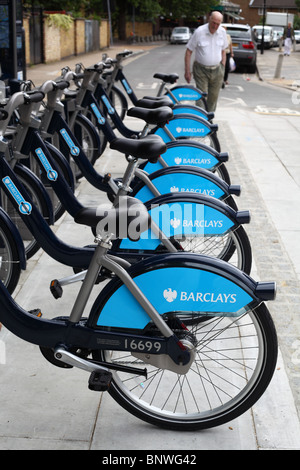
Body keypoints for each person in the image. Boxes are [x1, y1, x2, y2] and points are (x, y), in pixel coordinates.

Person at [184, 11, 228, 112]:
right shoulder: (199, 32)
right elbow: (188, 51)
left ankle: (209, 121)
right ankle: (201, 121)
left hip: (217, 70)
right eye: (214, 23)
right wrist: (187, 71)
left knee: (213, 98)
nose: (215, 26)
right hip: (201, 70)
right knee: (201, 98)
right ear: (209, 19)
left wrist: (223, 68)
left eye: (218, 24)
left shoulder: (222, 32)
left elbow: (223, 50)